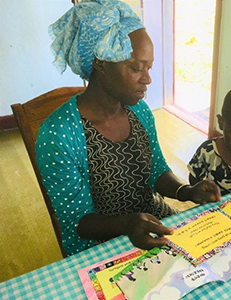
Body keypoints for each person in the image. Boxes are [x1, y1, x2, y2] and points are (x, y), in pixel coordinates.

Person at [35, 0, 220, 256]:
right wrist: (128, 224)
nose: (148, 79)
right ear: (100, 63)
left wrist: (186, 191)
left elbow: (156, 171)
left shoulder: (139, 112)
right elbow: (79, 223)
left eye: (149, 67)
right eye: (136, 68)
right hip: (101, 243)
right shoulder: (58, 135)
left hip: (150, 220)